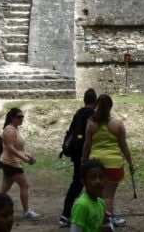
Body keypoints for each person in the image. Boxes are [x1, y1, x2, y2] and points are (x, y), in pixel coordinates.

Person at [81, 94, 134, 228]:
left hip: (95, 164)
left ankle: (94, 220)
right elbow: (124, 146)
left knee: (95, 195)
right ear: (111, 106)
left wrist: (83, 162)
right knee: (108, 196)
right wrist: (130, 163)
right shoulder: (118, 124)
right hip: (114, 164)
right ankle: (107, 223)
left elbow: (87, 145)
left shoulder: (91, 123)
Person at [59, 88, 98, 227]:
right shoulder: (92, 114)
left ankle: (66, 213)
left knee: (77, 183)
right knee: (86, 183)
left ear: (84, 99)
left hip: (76, 153)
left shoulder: (78, 113)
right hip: (86, 154)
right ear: (95, 101)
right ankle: (68, 214)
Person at [0, 107, 40, 220]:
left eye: (22, 116)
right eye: (19, 117)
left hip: (11, 162)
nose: (22, 119)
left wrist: (27, 155)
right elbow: (10, 148)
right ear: (12, 118)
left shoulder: (16, 128)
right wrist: (24, 158)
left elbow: (19, 147)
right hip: (10, 163)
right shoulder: (9, 130)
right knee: (24, 185)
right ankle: (26, 212)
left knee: (5, 188)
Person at [70, 160, 108, 232]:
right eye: (92, 178)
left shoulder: (101, 203)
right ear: (83, 181)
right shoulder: (82, 205)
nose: (98, 181)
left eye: (101, 177)